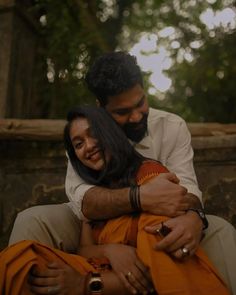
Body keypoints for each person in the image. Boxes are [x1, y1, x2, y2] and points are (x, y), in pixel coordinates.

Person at [9, 52, 236, 294]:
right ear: (102, 108)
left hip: (158, 218)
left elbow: (187, 189)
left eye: (140, 103)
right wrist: (138, 198)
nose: (137, 116)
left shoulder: (171, 127)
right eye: (123, 111)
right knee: (31, 219)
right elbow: (84, 200)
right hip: (97, 221)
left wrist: (193, 217)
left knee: (221, 230)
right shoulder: (84, 136)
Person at [62, 105, 229, 294]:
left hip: (146, 285)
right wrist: (111, 250)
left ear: (110, 133)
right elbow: (83, 249)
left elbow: (157, 263)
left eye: (94, 134)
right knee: (30, 258)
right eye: (78, 144)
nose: (89, 146)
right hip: (102, 272)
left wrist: (89, 284)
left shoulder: (150, 176)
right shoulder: (95, 197)